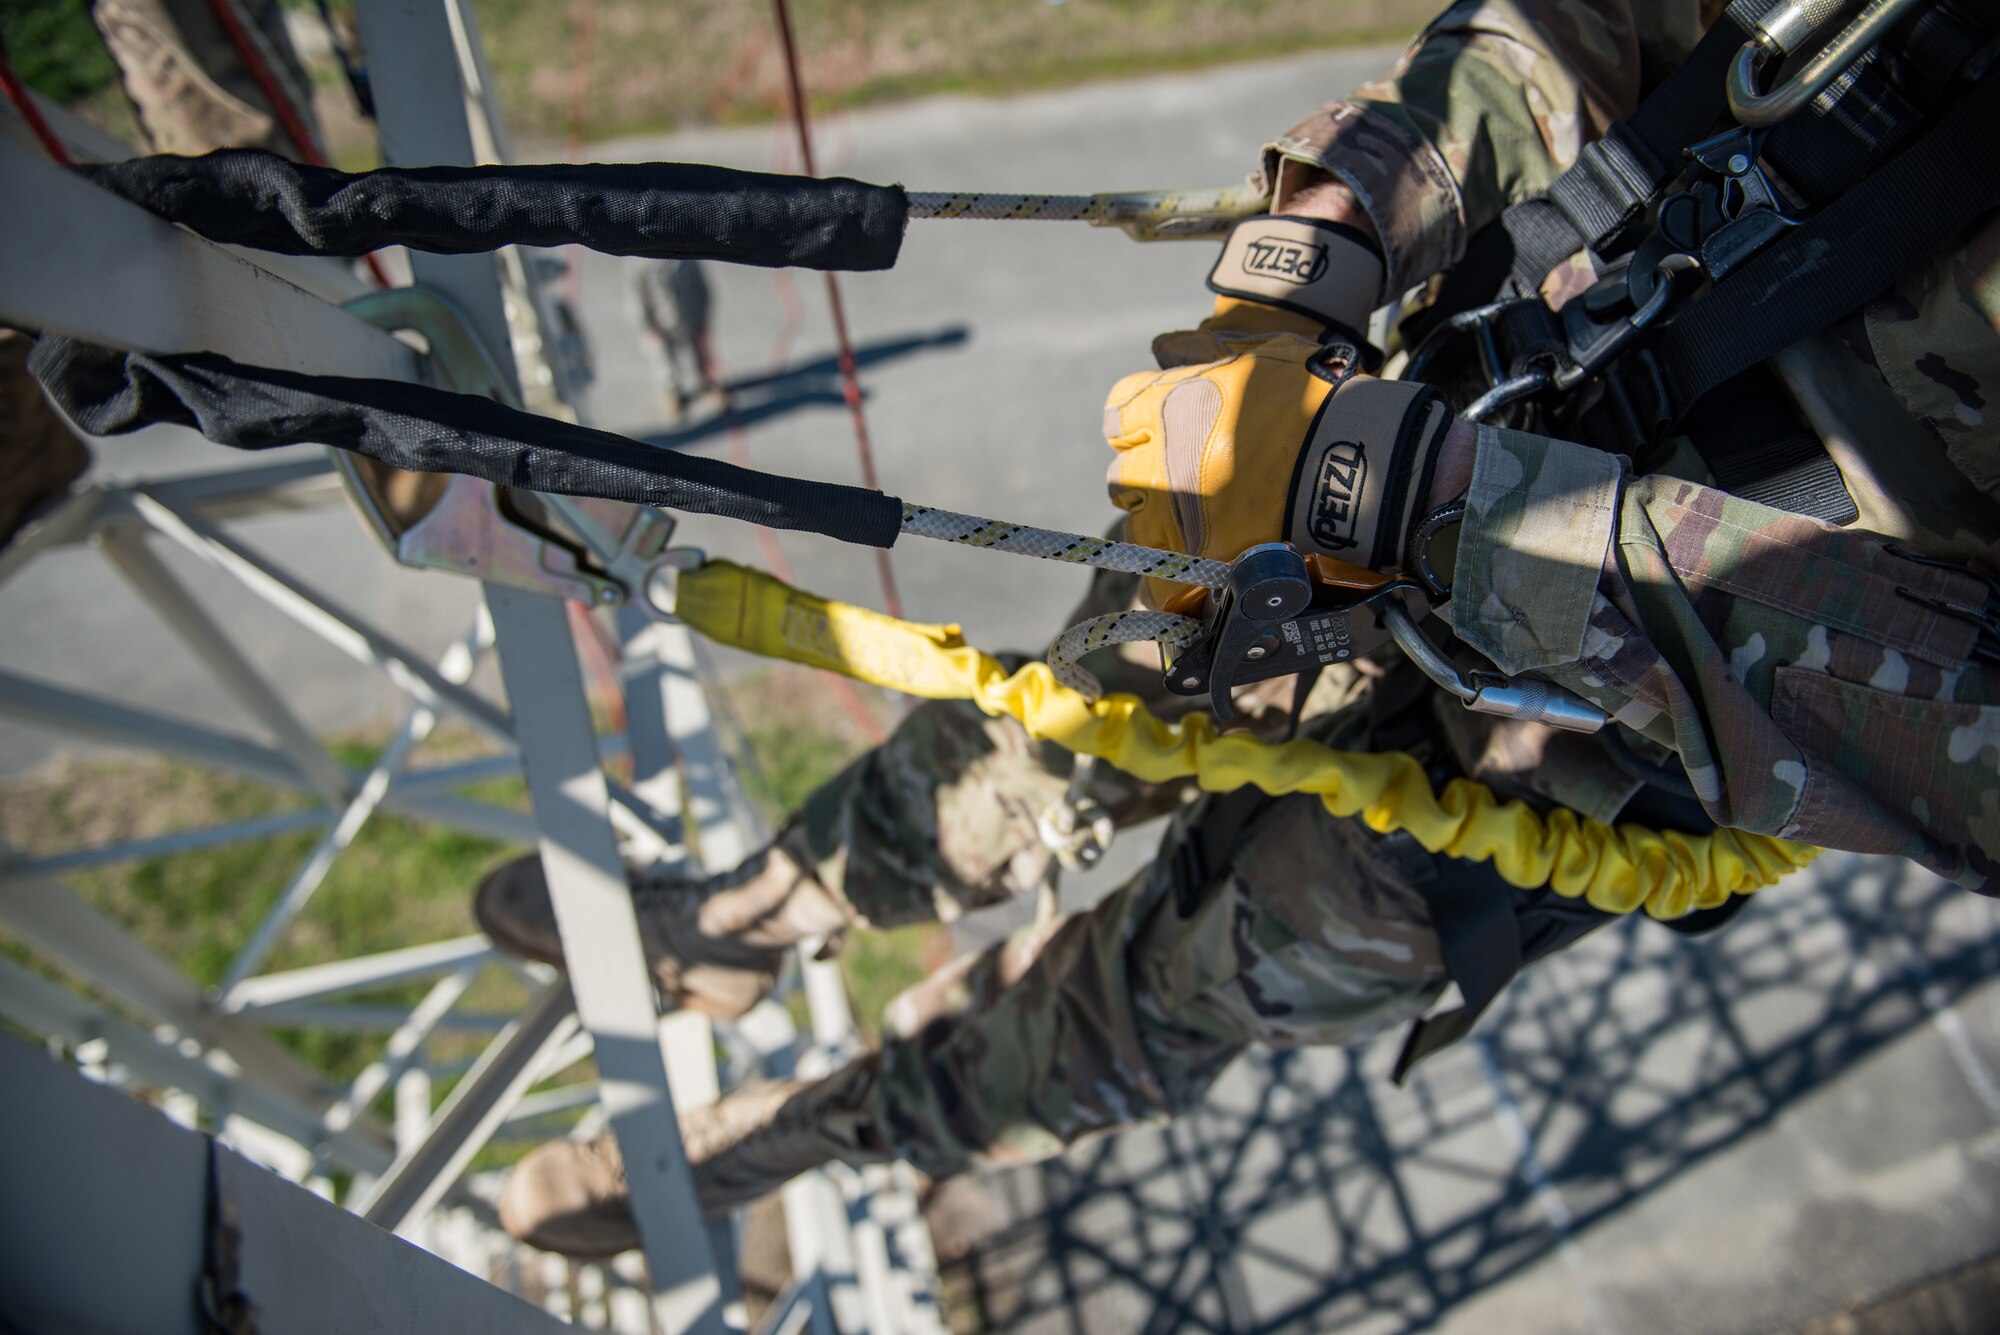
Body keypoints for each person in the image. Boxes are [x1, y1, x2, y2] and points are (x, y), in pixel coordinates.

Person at [485, 0, 2000, 1256]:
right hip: (1410, 436)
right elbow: (1575, 29)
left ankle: (799, 1133)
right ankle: (747, 923)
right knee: (1046, 727)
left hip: (1625, 739)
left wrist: (1442, 507)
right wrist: (1306, 276)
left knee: (1185, 980)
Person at [633, 257, 718, 422]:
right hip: (661, 322)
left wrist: (704, 318)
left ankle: (707, 383)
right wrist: (646, 326)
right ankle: (672, 393)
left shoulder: (686, 259)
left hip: (690, 317)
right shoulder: (639, 263)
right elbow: (636, 298)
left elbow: (702, 288)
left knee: (702, 352)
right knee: (665, 362)